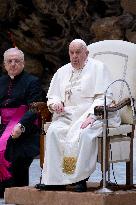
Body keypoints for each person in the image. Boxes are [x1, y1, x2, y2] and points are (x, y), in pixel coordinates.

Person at [37, 39, 121, 192]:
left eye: (78, 52)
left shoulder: (98, 68)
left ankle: (80, 179)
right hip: (68, 115)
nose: (74, 56)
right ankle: (55, 180)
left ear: (86, 53)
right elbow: (53, 96)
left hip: (94, 114)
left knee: (84, 133)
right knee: (54, 131)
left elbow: (105, 97)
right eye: (71, 52)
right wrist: (56, 104)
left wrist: (92, 115)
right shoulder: (62, 71)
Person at [0, 47, 43, 197]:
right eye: (9, 61)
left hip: (24, 127)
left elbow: (34, 108)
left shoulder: (33, 82)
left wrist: (21, 125)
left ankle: (14, 192)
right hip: (2, 126)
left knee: (13, 150)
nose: (13, 64)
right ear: (4, 64)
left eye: (17, 61)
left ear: (23, 63)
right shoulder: (1, 81)